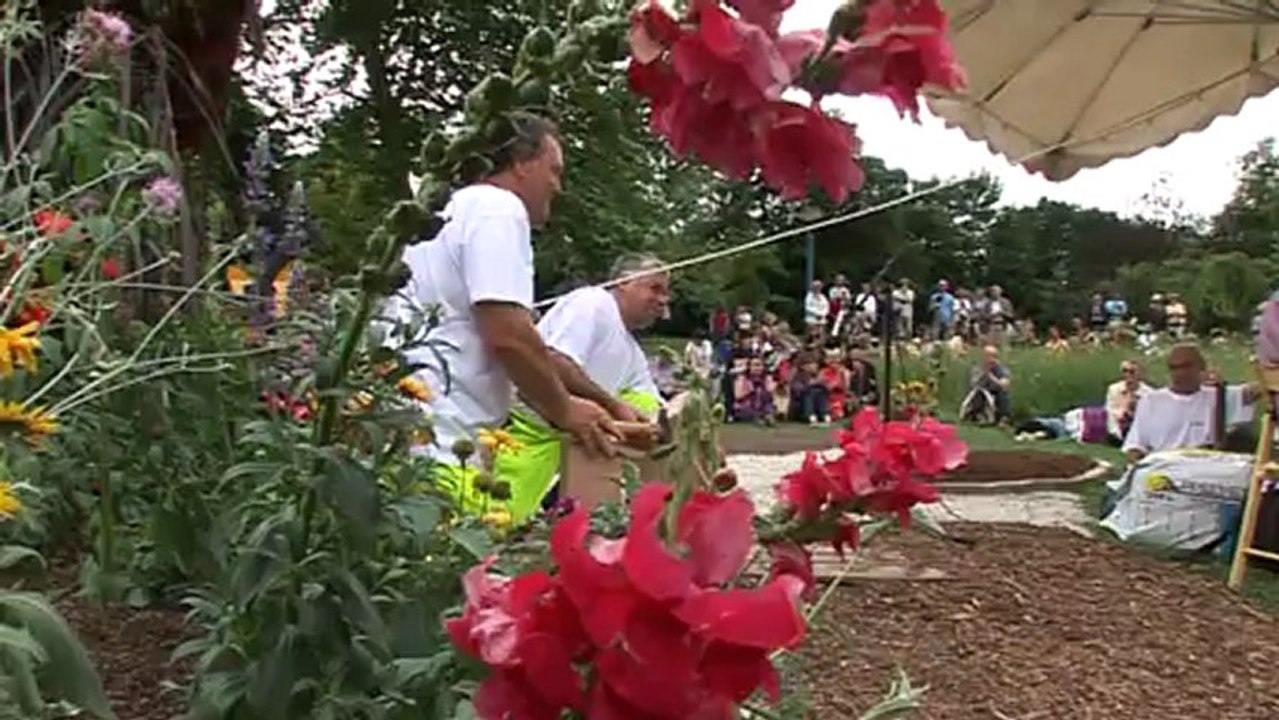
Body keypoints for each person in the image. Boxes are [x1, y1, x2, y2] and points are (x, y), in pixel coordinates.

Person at [394, 114, 618, 513]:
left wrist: (603, 404)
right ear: (520, 162)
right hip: (445, 449)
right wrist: (565, 411)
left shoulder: (445, 213)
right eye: (554, 170)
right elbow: (509, 336)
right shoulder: (497, 208)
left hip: (408, 440)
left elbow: (528, 343)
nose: (557, 185)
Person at [495, 254, 669, 521]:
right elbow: (556, 360)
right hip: (524, 434)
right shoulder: (592, 303)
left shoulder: (632, 351)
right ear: (624, 282)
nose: (662, 300)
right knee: (496, 520)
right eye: (655, 288)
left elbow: (651, 405)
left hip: (569, 445)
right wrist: (612, 405)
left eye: (666, 293)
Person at [1123, 344, 1256, 463]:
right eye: (1174, 368)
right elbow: (1135, 444)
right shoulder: (1151, 400)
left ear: (1201, 368)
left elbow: (1259, 389)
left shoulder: (1218, 396)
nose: (1179, 373)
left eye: (1186, 366)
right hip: (1163, 467)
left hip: (1205, 467)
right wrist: (1137, 466)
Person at [1105, 360, 1151, 443]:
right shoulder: (1114, 389)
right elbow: (1110, 409)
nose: (1127, 375)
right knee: (1109, 415)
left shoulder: (1149, 393)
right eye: (1124, 371)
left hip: (1138, 423)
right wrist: (1123, 412)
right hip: (1118, 422)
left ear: (1139, 374)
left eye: (1132, 372)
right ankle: (1116, 437)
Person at [968, 345, 1011, 423]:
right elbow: (973, 383)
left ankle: (1003, 417)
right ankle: (978, 415)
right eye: (987, 356)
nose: (990, 359)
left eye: (992, 356)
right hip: (981, 390)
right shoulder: (978, 367)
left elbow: (1005, 384)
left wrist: (991, 377)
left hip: (995, 390)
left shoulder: (1001, 368)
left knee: (1003, 392)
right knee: (978, 392)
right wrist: (982, 375)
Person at [733, 356, 775, 424]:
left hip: (762, 407)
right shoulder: (742, 378)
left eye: (760, 365)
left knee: (769, 406)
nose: (757, 368)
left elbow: (771, 394)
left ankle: (767, 417)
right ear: (749, 367)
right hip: (746, 407)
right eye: (755, 365)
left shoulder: (766, 378)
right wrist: (750, 389)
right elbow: (738, 396)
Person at [789, 356, 830, 425]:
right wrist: (810, 384)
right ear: (804, 366)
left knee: (820, 391)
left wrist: (822, 384)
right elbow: (797, 390)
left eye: (816, 364)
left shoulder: (817, 376)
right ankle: (810, 415)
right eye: (812, 364)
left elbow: (827, 390)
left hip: (817, 405)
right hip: (802, 405)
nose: (816, 366)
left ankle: (824, 414)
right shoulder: (798, 377)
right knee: (810, 392)